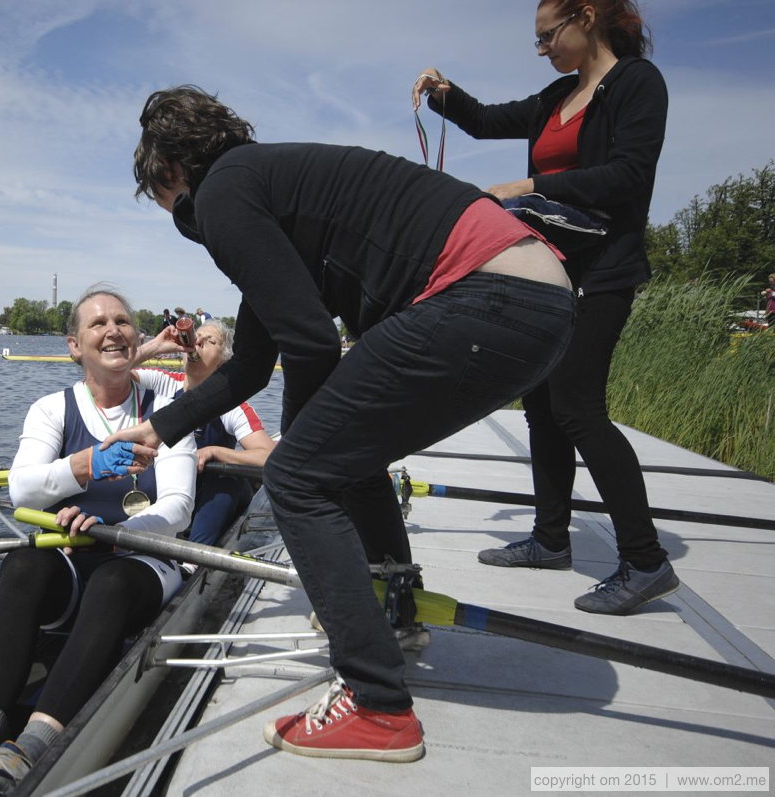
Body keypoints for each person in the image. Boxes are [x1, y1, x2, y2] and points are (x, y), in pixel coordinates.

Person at [105, 85, 575, 762]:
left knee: (296, 474)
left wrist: (303, 444)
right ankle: (397, 615)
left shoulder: (224, 192)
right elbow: (252, 363)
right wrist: (162, 427)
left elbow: (313, 344)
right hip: (539, 300)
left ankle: (380, 706)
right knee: (337, 458)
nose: (181, 219)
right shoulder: (272, 185)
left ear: (171, 171)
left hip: (486, 295)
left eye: (167, 203)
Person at [414, 0, 680, 615]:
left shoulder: (637, 84)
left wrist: (527, 187)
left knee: (578, 407)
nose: (542, 50)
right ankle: (550, 538)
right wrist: (441, 92)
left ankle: (645, 560)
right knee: (539, 404)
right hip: (552, 269)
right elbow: (481, 120)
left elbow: (627, 177)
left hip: (605, 270)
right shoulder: (557, 95)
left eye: (547, 36)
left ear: (586, 17)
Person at [0, 286, 196, 790]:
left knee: (110, 584)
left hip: (147, 556)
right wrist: (83, 467)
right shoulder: (51, 409)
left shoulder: (168, 405)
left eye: (123, 322)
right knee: (22, 566)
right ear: (74, 345)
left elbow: (178, 507)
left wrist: (119, 534)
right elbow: (21, 488)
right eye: (97, 324)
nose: (113, 331)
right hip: (69, 553)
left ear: (138, 337)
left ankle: (31, 744)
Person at [133, 318, 276, 546]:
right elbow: (107, 373)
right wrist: (155, 346)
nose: (197, 343)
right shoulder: (162, 382)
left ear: (222, 363)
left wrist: (215, 452)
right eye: (194, 337)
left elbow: (270, 457)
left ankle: (194, 560)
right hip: (168, 488)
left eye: (210, 341)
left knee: (228, 479)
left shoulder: (234, 405)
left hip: (210, 494)